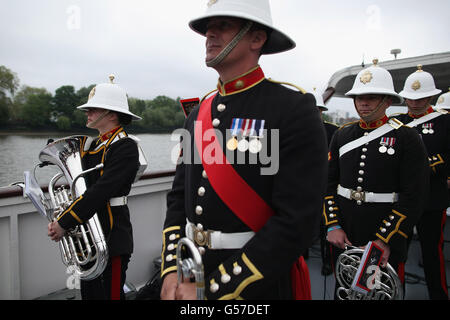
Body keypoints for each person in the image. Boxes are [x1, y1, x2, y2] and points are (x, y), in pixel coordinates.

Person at [160, 0, 328, 300]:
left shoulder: (292, 108)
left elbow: (297, 222)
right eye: (208, 27)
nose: (210, 34)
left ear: (256, 38)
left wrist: (211, 291)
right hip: (189, 271)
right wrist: (171, 269)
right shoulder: (199, 112)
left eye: (223, 25)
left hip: (258, 283)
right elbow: (178, 197)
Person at [324, 60, 429, 299]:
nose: (363, 102)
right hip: (345, 233)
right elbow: (328, 185)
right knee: (345, 291)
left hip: (382, 234)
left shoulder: (407, 137)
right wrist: (333, 225)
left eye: (372, 96)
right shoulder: (342, 135)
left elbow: (414, 195)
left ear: (388, 101)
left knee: (378, 293)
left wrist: (383, 239)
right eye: (359, 96)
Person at [47, 75, 142, 300]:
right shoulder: (93, 146)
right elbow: (82, 187)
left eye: (93, 109)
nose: (87, 113)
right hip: (88, 237)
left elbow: (101, 191)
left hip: (112, 236)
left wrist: (64, 221)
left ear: (110, 114)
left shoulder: (125, 147)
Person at [395, 66, 448, 300]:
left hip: (431, 198)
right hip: (401, 200)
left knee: (432, 253)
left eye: (421, 98)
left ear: (431, 97)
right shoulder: (395, 123)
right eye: (410, 98)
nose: (415, 103)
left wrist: (418, 168)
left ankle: (439, 296)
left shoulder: (445, 123)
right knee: (398, 253)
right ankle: (397, 293)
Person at [312, 88, 338, 276]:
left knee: (325, 228)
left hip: (324, 187)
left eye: (317, 110)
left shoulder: (334, 132)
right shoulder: (293, 131)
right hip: (300, 187)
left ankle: (327, 262)